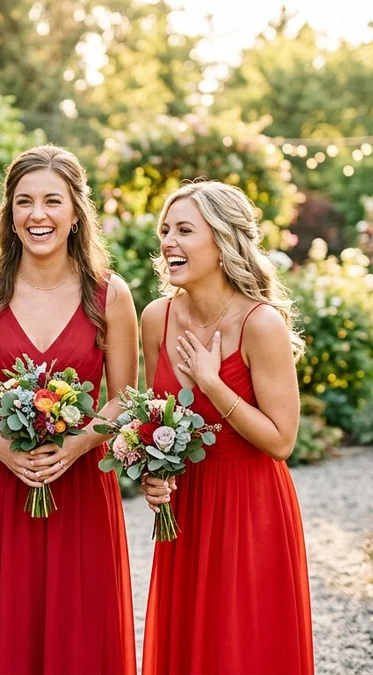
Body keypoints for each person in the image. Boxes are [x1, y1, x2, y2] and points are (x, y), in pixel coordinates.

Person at [0, 145, 138, 674]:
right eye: (23, 201)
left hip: (81, 485)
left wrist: (75, 446)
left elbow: (125, 397)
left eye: (53, 200)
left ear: (76, 212)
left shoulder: (109, 295)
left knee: (79, 627)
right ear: (9, 213)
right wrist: (7, 451)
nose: (37, 215)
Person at [140, 180, 313, 674]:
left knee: (243, 646)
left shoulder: (261, 324)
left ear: (221, 242)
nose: (169, 241)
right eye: (166, 230)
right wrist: (152, 470)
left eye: (184, 230)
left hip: (249, 509)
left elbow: (282, 440)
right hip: (185, 510)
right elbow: (155, 418)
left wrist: (213, 384)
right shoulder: (157, 318)